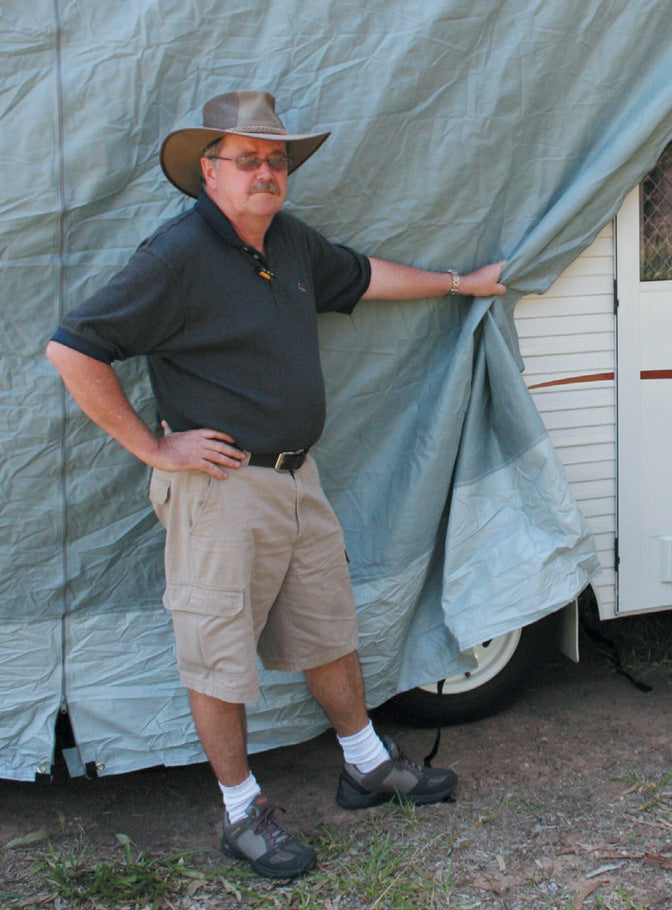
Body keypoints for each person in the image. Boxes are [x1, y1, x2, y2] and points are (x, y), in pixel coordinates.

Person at [46, 90, 507, 880]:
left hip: (298, 478)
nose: (266, 171)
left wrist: (460, 284)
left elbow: (363, 277)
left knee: (329, 631)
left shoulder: (287, 242)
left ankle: (366, 764)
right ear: (208, 173)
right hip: (221, 493)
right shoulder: (177, 255)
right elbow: (73, 349)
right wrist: (154, 450)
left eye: (275, 159)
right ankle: (240, 814)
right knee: (218, 658)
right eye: (247, 159)